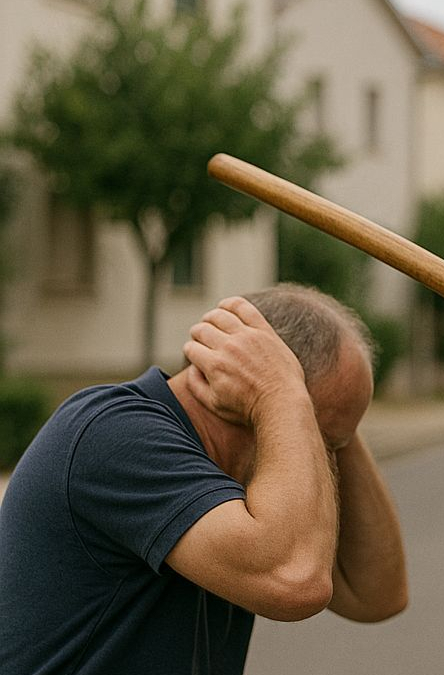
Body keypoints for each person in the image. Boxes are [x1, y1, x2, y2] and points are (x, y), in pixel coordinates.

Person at [0, 283, 407, 674]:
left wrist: (335, 427)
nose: (326, 465)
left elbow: (376, 594)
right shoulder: (113, 433)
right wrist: (281, 392)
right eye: (325, 447)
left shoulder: (234, 481)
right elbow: (294, 579)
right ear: (245, 391)